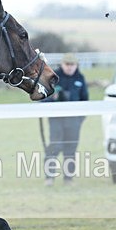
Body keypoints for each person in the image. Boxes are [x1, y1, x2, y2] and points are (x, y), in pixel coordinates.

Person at [43, 53, 89, 185]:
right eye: (67, 64)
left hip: (74, 121)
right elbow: (44, 98)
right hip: (56, 120)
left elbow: (85, 100)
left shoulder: (80, 78)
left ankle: (68, 178)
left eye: (72, 65)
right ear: (62, 65)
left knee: (71, 148)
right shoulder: (53, 77)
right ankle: (49, 177)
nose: (69, 67)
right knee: (54, 147)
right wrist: (52, 100)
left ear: (76, 65)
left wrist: (80, 119)